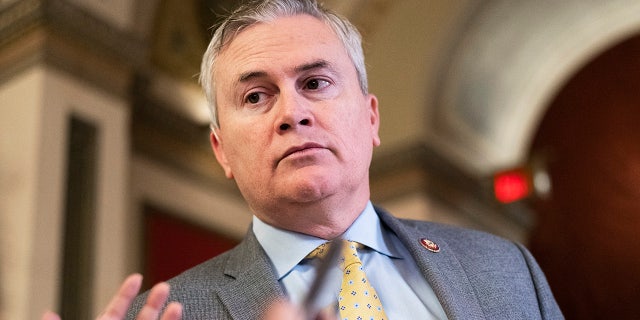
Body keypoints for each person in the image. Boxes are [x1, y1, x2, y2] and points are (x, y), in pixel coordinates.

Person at [43, 0, 563, 319]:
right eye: (255, 97)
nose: (293, 113)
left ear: (371, 118)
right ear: (222, 150)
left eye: (315, 83)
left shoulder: (506, 269)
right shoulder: (166, 316)